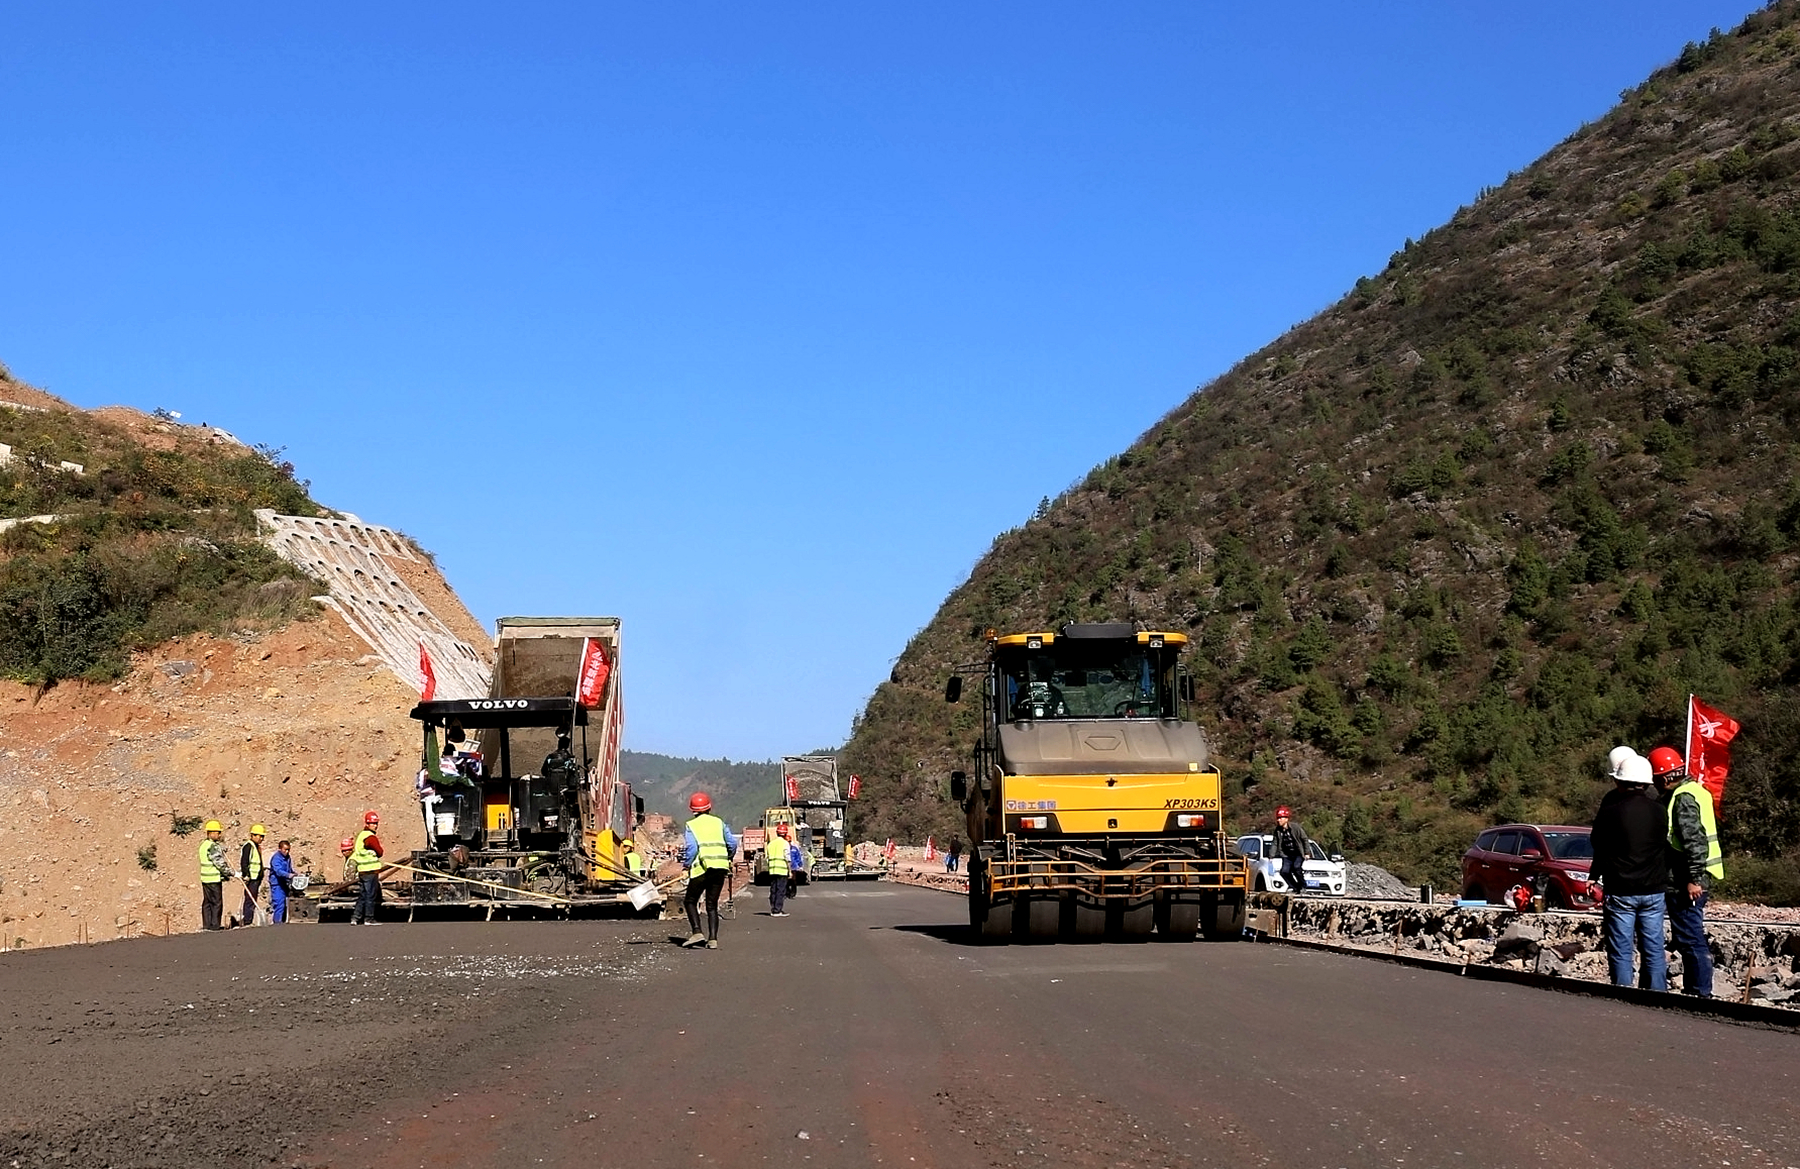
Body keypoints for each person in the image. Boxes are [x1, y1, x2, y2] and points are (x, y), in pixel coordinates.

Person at [1590, 751, 1667, 990]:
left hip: (1621, 889)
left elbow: (1598, 844)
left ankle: (1624, 995)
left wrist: (1594, 876)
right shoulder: (1659, 810)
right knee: (1653, 947)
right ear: (1646, 782)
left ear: (1619, 781)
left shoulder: (1611, 811)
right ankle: (1657, 994)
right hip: (1654, 889)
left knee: (1622, 948)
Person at [1654, 745, 1723, 998]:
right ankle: (1696, 989)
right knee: (1688, 936)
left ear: (1662, 777)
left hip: (1687, 881)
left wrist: (1693, 878)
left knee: (1691, 938)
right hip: (1693, 878)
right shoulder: (1696, 790)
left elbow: (1694, 841)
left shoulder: (1683, 797)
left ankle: (1700, 993)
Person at [680, 792, 739, 949]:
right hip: (720, 867)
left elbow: (692, 848)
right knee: (712, 904)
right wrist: (728, 857)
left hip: (702, 868)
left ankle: (697, 932)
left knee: (690, 901)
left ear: (693, 810)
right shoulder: (719, 822)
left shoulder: (691, 825)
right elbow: (732, 843)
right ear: (709, 807)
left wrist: (686, 865)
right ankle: (713, 939)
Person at [197, 819, 235, 931]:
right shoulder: (212, 847)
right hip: (213, 878)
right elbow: (220, 864)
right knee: (217, 903)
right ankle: (215, 926)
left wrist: (221, 848)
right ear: (211, 833)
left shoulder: (204, 845)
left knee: (207, 902)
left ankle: (207, 925)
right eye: (217, 832)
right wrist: (232, 873)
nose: (219, 835)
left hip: (205, 878)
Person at [350, 811, 385, 926]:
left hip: (362, 871)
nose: (375, 825)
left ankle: (355, 918)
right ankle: (369, 918)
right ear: (367, 824)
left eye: (376, 823)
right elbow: (380, 852)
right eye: (373, 823)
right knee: (370, 895)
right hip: (370, 871)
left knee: (363, 895)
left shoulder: (361, 835)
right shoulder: (370, 837)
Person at [1272, 806, 1312, 895]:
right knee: (1284, 871)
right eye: (1278, 818)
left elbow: (1304, 839)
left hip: (1298, 853)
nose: (1278, 820)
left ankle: (1303, 886)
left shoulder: (1295, 827)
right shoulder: (1278, 831)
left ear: (1286, 819)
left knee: (1296, 867)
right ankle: (1294, 887)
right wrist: (1271, 855)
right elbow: (1275, 843)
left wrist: (1307, 852)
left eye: (1281, 818)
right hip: (1287, 854)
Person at [767, 823, 800, 917]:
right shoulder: (785, 843)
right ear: (785, 834)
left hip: (772, 870)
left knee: (773, 890)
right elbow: (787, 858)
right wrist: (789, 871)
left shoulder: (771, 843)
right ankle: (777, 910)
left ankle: (773, 909)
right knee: (781, 890)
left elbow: (767, 857)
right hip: (782, 870)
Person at [239, 824, 267, 926]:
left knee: (253, 898)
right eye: (260, 836)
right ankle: (247, 920)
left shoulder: (256, 847)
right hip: (251, 878)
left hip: (257, 878)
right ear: (253, 835)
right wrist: (246, 875)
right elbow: (244, 862)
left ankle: (249, 918)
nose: (261, 839)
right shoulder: (248, 846)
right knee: (249, 900)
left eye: (262, 836)